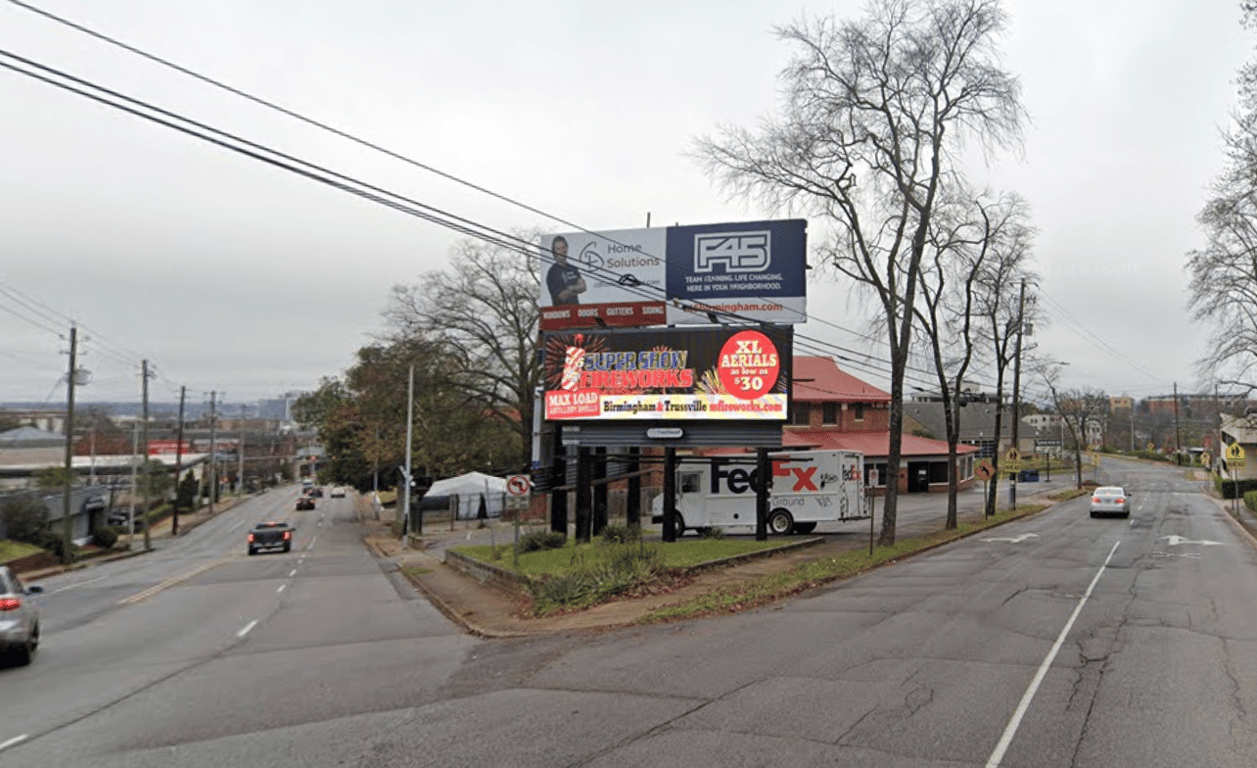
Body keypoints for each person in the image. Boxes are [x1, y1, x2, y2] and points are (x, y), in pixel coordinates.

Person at [545, 235, 586, 305]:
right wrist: (577, 289)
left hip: (577, 311)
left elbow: (583, 287)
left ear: (567, 248)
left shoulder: (572, 268)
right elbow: (562, 296)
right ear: (554, 252)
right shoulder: (552, 272)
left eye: (564, 248)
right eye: (558, 249)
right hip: (562, 313)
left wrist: (570, 288)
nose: (562, 251)